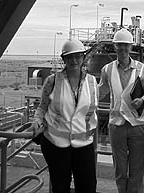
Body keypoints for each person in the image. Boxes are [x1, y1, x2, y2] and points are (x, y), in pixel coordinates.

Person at [30, 39, 98, 193]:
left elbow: (91, 111)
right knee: (60, 187)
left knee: (88, 187)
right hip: (56, 144)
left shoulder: (92, 82)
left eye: (78, 56)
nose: (74, 60)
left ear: (83, 58)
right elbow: (42, 107)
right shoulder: (52, 81)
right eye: (69, 57)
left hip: (83, 143)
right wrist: (36, 121)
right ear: (64, 59)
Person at [98, 28, 144, 193]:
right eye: (119, 45)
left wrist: (143, 99)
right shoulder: (107, 70)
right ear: (114, 47)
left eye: (126, 45)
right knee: (120, 171)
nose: (123, 49)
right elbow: (99, 93)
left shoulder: (141, 68)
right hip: (117, 126)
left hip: (138, 125)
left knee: (137, 171)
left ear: (131, 47)